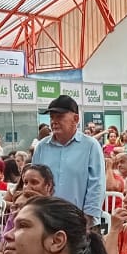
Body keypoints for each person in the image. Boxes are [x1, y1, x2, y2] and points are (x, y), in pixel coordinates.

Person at [33, 95, 106, 224]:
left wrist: (88, 218)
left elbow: (97, 185)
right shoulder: (41, 147)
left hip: (79, 220)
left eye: (59, 117)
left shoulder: (90, 146)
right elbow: (33, 182)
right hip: (46, 219)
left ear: (76, 119)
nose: (54, 122)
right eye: (51, 117)